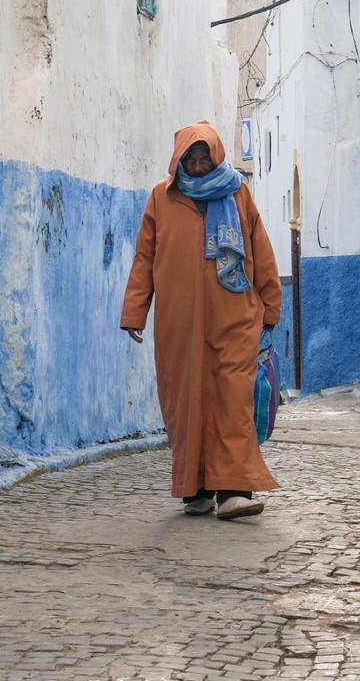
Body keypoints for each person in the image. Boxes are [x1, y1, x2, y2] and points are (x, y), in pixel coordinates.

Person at [120, 120, 282, 520]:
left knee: (232, 400)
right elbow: (144, 258)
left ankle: (234, 491)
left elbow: (260, 250)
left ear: (216, 158)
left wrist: (272, 305)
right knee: (187, 402)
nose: (196, 165)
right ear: (178, 160)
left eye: (203, 158)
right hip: (180, 324)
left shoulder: (237, 194)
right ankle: (197, 489)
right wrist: (134, 312)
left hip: (235, 318)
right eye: (189, 159)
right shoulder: (161, 199)